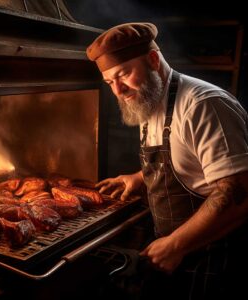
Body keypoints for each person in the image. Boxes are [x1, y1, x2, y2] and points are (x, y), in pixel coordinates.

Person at [86, 22, 248, 300]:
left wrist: (175, 245)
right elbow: (186, 159)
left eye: (124, 75)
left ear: (152, 60)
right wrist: (139, 177)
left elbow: (239, 194)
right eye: (110, 82)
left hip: (216, 255)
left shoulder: (203, 105)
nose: (118, 91)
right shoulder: (149, 99)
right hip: (181, 252)